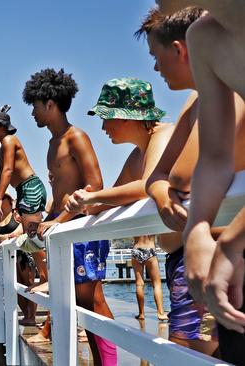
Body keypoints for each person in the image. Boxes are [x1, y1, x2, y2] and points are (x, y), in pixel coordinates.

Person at [137, 7, 245, 357]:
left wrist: (228, 242)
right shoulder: (205, 46)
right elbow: (169, 173)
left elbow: (187, 171)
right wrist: (188, 218)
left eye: (156, 56)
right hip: (216, 256)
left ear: (178, 50)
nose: (155, 67)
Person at [24, 68, 117, 366]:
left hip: (84, 229)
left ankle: (110, 362)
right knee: (79, 303)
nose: (33, 113)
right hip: (67, 230)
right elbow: (63, 190)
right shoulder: (52, 143)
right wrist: (47, 219)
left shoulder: (76, 137)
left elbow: (95, 185)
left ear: (50, 104)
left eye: (35, 106)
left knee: (94, 301)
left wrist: (59, 219)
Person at [64, 78, 171, 322]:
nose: (103, 127)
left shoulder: (164, 136)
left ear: (126, 116)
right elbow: (117, 194)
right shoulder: (137, 155)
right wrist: (87, 205)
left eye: (106, 117)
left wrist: (93, 197)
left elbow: (147, 185)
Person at [0, 105, 49, 291]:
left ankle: (47, 277)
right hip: (21, 189)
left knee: (34, 233)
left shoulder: (10, 140)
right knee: (31, 234)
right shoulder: (1, 149)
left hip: (30, 186)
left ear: (3, 126)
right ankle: (45, 276)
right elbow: (1, 175)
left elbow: (8, 170)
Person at [0, 193, 38, 326]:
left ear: (8, 200)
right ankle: (26, 314)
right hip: (9, 256)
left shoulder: (16, 214)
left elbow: (23, 228)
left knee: (29, 283)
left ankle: (32, 316)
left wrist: (6, 236)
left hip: (24, 253)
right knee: (15, 286)